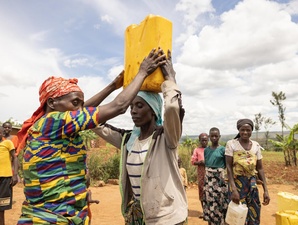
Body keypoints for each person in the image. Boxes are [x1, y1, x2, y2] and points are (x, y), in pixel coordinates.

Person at [16, 48, 166, 225]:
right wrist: (143, 72)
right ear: (51, 103)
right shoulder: (54, 121)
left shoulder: (50, 124)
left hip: (60, 215)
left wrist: (113, 86)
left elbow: (82, 112)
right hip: (50, 219)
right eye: (74, 103)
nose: (80, 109)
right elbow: (119, 106)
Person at [93, 50, 188, 225]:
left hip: (166, 218)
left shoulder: (166, 137)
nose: (133, 111)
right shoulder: (127, 139)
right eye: (131, 106)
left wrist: (170, 80)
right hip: (138, 216)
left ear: (153, 111)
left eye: (139, 106)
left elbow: (173, 109)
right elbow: (89, 119)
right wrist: (113, 86)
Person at [225, 118, 270, 225]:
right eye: (242, 130)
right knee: (237, 214)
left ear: (251, 131)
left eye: (248, 130)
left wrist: (266, 190)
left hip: (252, 183)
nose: (245, 132)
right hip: (237, 182)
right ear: (239, 130)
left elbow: (260, 168)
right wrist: (234, 189)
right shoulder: (231, 144)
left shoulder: (256, 146)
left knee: (254, 212)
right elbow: (229, 167)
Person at [203, 127, 228, 225]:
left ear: (219, 137)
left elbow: (226, 165)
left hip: (219, 179)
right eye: (212, 136)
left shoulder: (223, 149)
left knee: (220, 200)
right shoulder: (206, 150)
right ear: (209, 137)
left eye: (216, 136)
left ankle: (220, 221)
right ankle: (211, 221)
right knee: (209, 200)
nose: (214, 138)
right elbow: (206, 163)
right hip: (208, 178)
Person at [0, 127, 19, 225]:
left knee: (1, 208)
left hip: (4, 178)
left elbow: (15, 158)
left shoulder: (8, 143)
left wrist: (15, 175)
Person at [191, 132, 208, 218]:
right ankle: (204, 212)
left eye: (205, 140)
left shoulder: (211, 149)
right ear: (200, 141)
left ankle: (210, 211)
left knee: (211, 191)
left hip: (210, 172)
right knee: (202, 191)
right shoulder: (197, 150)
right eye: (202, 140)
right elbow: (193, 161)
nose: (204, 142)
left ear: (208, 140)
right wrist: (200, 162)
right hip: (201, 172)